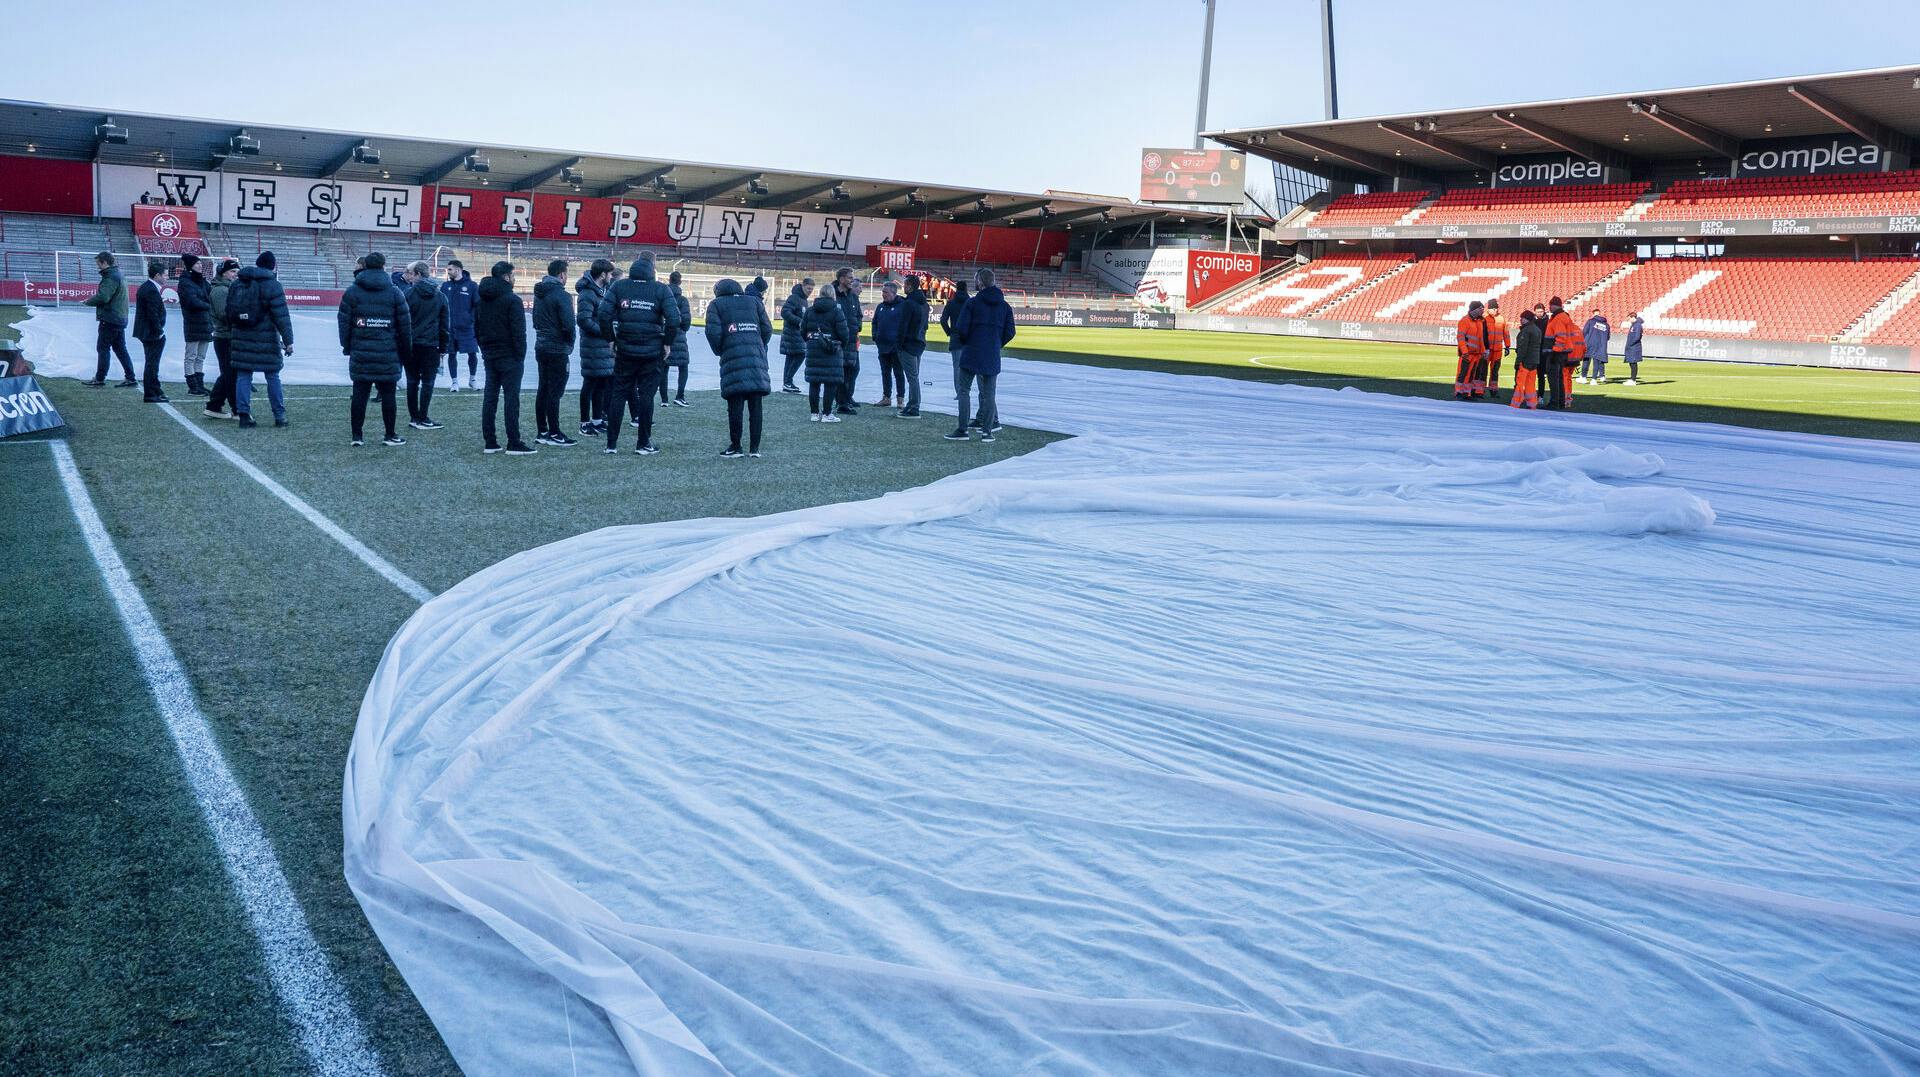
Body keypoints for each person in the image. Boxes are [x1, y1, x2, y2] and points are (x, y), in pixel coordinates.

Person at [599, 254, 679, 454]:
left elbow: (603, 314)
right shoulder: (661, 289)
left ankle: (611, 444)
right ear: (652, 272)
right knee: (646, 397)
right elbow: (674, 319)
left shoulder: (620, 286)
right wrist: (667, 343)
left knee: (619, 394)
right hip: (652, 352)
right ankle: (643, 443)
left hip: (625, 349)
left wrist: (610, 339)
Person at [337, 252, 411, 447]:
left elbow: (343, 322)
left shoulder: (352, 291)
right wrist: (405, 351)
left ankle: (357, 436)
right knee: (388, 394)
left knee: (360, 393)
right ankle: (390, 434)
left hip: (360, 350)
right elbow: (405, 325)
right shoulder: (395, 292)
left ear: (364, 267)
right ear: (383, 266)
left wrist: (347, 346)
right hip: (388, 351)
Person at [705, 277, 774, 457]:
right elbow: (767, 329)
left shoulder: (716, 305)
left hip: (732, 358)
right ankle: (755, 449)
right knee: (756, 404)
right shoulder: (754, 302)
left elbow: (713, 333)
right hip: (756, 358)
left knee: (735, 403)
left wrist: (721, 349)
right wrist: (757, 344)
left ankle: (736, 446)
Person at [228, 251, 294, 428]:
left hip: (241, 337)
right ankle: (279, 416)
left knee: (243, 376)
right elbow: (282, 316)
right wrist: (288, 341)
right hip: (267, 339)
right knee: (272, 376)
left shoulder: (238, 283)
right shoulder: (274, 285)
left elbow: (229, 312)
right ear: (272, 266)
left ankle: (243, 415)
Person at [948, 268, 1014, 443]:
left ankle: (962, 430)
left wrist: (969, 342)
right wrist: (996, 344)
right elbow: (1010, 332)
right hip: (991, 354)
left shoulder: (973, 303)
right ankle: (987, 432)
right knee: (989, 394)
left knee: (964, 390)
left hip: (972, 351)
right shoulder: (1005, 306)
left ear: (980, 282)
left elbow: (961, 329)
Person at [474, 260, 534, 455]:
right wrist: (520, 355)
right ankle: (513, 442)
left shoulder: (481, 300)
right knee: (511, 399)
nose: (514, 279)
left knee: (490, 398)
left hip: (490, 354)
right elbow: (519, 331)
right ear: (507, 277)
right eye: (513, 275)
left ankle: (490, 441)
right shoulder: (512, 300)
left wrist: (484, 348)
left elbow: (477, 327)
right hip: (509, 356)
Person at [532, 258, 578, 446]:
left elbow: (535, 321)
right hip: (557, 348)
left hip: (541, 345)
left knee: (543, 388)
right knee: (555, 391)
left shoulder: (539, 293)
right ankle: (554, 432)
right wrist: (569, 343)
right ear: (562, 274)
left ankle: (542, 431)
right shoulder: (562, 295)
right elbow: (569, 325)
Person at [403, 260, 450, 430]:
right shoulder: (440, 296)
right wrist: (443, 347)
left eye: (411, 273)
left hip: (411, 344)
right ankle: (422, 417)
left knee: (412, 381)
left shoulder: (407, 294)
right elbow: (444, 325)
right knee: (428, 382)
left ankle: (415, 417)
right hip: (431, 345)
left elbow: (402, 321)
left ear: (418, 274)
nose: (408, 276)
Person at [82, 252, 135, 387]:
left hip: (110, 318)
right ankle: (131, 377)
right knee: (120, 349)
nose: (98, 266)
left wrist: (88, 301)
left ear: (104, 262)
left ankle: (100, 378)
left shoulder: (111, 277)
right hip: (120, 317)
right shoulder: (119, 274)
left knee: (103, 348)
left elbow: (103, 297)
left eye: (98, 263)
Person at [575, 259, 615, 436]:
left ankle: (597, 420)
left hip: (602, 347)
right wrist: (605, 332)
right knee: (589, 384)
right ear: (603, 275)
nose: (611, 277)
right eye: (610, 274)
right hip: (592, 346)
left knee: (601, 383)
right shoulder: (587, 293)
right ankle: (584, 423)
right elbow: (584, 320)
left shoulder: (603, 291)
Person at [803, 283, 848, 423]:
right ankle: (827, 414)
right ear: (833, 294)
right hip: (831, 350)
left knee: (814, 382)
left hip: (813, 348)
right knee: (830, 382)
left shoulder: (810, 311)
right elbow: (844, 334)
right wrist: (840, 345)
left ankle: (814, 413)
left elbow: (803, 330)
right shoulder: (837, 311)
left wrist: (811, 341)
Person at [202, 259, 241, 419]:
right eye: (232, 272)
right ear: (223, 273)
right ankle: (234, 409)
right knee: (229, 374)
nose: (235, 275)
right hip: (224, 337)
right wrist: (243, 317)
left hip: (228, 336)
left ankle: (215, 405)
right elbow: (224, 314)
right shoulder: (220, 290)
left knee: (229, 374)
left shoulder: (228, 288)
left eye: (236, 272)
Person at [132, 259, 170, 403]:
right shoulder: (150, 290)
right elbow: (152, 313)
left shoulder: (148, 287)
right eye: (165, 275)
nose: (167, 278)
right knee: (152, 364)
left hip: (148, 331)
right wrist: (159, 331)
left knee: (152, 362)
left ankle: (156, 389)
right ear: (157, 275)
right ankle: (150, 394)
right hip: (151, 333)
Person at [176, 254, 213, 396]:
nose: (200, 265)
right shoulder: (185, 282)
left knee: (201, 357)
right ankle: (193, 386)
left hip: (206, 323)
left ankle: (200, 385)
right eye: (197, 263)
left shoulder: (203, 281)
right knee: (191, 356)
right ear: (190, 266)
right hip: (193, 323)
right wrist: (209, 306)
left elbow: (211, 295)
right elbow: (192, 302)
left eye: (200, 263)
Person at [442, 260, 480, 390]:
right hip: (450, 328)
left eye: (450, 269)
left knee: (472, 353)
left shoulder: (472, 286)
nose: (448, 272)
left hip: (467, 327)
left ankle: (472, 380)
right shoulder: (445, 286)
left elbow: (477, 306)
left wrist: (470, 320)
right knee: (451, 354)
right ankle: (454, 382)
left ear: (458, 270)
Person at [897, 275, 930, 417]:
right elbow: (925, 326)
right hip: (919, 342)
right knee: (914, 377)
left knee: (912, 378)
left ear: (910, 286)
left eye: (905, 285)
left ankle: (914, 407)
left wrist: (899, 344)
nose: (903, 287)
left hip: (908, 344)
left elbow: (903, 326)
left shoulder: (908, 304)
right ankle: (911, 405)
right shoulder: (924, 304)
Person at [870, 280, 906, 408]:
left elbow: (905, 325)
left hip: (896, 347)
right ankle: (886, 397)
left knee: (898, 373)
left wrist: (901, 341)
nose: (883, 294)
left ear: (893, 293)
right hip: (882, 346)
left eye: (885, 292)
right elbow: (874, 322)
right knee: (885, 372)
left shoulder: (902, 306)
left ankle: (900, 399)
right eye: (883, 292)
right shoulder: (880, 306)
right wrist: (875, 336)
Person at [1543, 296, 1583, 411]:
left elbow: (1560, 336)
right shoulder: (1563, 316)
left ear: (1553, 305)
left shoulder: (1558, 318)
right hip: (1562, 353)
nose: (1549, 308)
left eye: (1550, 305)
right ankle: (1560, 402)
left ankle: (1554, 402)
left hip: (1557, 353)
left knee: (1554, 379)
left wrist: (1555, 352)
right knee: (1559, 378)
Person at [834, 269, 864, 414]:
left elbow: (859, 315)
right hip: (838, 341)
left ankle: (845, 400)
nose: (852, 280)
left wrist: (857, 326)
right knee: (839, 373)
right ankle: (841, 403)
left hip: (851, 341)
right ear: (841, 279)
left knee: (851, 371)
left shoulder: (853, 296)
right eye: (849, 278)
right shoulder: (832, 294)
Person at [939, 280, 969, 419]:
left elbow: (943, 320)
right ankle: (967, 391)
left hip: (956, 339)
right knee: (970, 368)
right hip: (969, 339)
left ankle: (960, 393)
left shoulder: (951, 303)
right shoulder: (971, 302)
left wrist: (949, 332)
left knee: (957, 368)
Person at [661, 270, 692, 406]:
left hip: (664, 333)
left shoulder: (663, 297)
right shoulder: (682, 300)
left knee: (664, 366)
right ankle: (680, 396)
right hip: (679, 336)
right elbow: (686, 320)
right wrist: (682, 328)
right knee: (683, 366)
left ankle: (664, 399)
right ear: (680, 282)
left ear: (669, 280)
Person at [778, 278, 813, 392]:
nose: (810, 291)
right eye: (808, 288)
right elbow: (785, 312)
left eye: (811, 289)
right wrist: (799, 321)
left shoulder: (803, 300)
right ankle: (788, 381)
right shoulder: (794, 298)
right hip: (792, 333)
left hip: (797, 334)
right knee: (800, 354)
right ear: (803, 286)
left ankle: (787, 383)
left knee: (791, 357)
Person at [1453, 300, 1488, 401]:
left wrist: (1483, 351)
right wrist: (1464, 352)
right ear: (1474, 309)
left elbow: (1480, 339)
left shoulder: (1479, 322)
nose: (1482, 310)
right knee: (1463, 373)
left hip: (1476, 354)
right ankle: (1458, 392)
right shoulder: (1464, 321)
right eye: (1480, 308)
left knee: (1471, 374)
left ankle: (1466, 393)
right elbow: (1461, 337)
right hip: (1467, 354)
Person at [1509, 308, 1543, 410]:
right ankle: (1532, 404)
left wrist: (1518, 361)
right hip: (1535, 360)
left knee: (1520, 383)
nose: (1521, 320)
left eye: (1522, 318)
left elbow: (1522, 348)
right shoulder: (1537, 330)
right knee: (1531, 384)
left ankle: (1515, 404)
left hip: (1525, 361)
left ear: (1527, 319)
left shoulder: (1526, 330)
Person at [1483, 297, 1509, 402]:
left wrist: (1507, 346)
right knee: (1483, 370)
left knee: (1495, 371)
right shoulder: (1484, 318)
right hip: (1486, 349)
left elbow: (1506, 333)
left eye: (1496, 308)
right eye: (1494, 308)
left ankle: (1493, 390)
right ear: (1489, 309)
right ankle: (1480, 390)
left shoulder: (1501, 319)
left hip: (1497, 350)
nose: (1496, 310)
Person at [1581, 307, 1612, 385]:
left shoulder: (1590, 321)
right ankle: (1594, 379)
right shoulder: (1606, 325)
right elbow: (1608, 337)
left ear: (1593, 314)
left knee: (1586, 360)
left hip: (1589, 344)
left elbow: (1584, 332)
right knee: (1597, 362)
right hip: (1600, 346)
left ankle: (1583, 377)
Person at [1622, 311, 1644, 386]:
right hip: (1631, 347)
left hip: (1634, 347)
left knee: (1633, 363)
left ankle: (1633, 380)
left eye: (1629, 319)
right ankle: (1632, 379)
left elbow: (1637, 337)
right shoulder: (1634, 325)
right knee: (1631, 363)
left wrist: (1631, 344)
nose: (1629, 320)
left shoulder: (1638, 325)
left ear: (1633, 317)